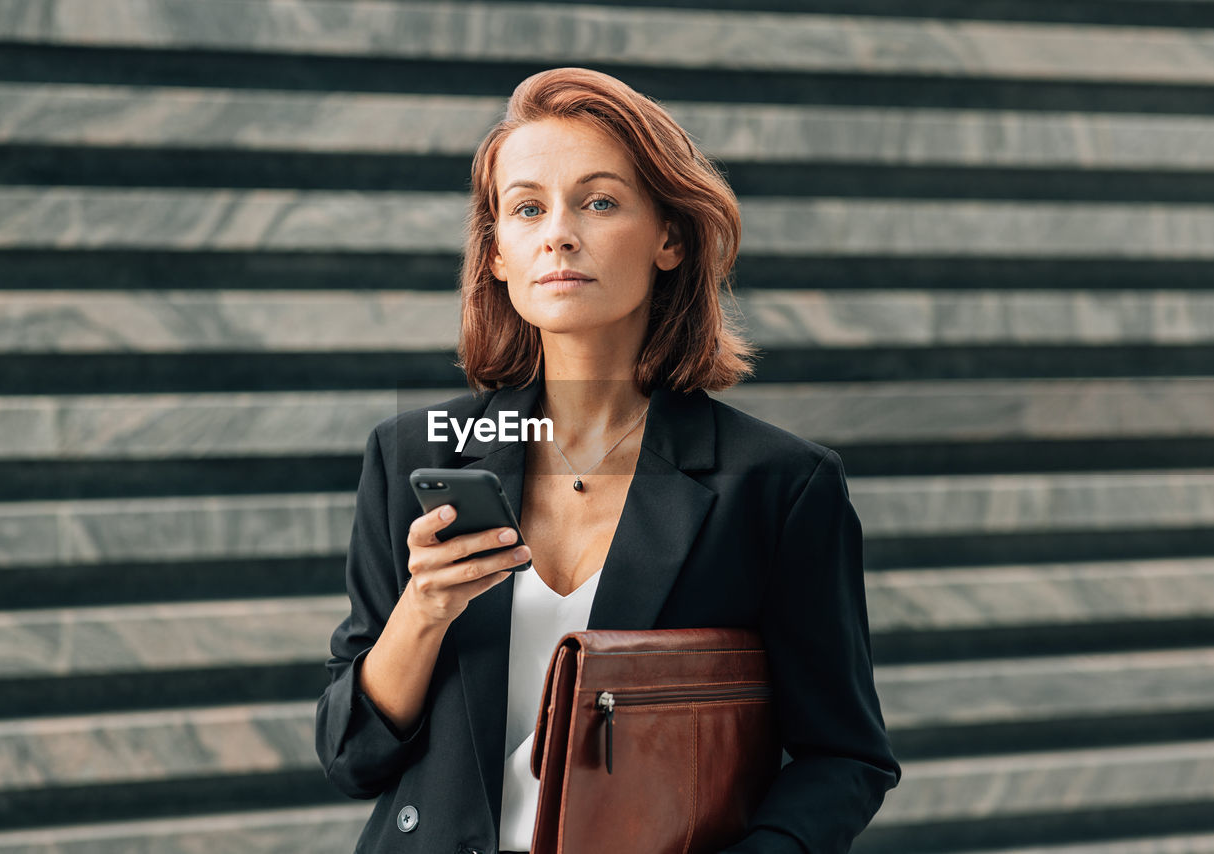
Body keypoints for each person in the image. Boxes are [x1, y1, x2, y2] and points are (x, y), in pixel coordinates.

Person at [315, 66, 901, 854]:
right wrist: (424, 608)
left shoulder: (777, 484)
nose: (558, 232)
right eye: (526, 208)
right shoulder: (414, 455)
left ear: (668, 237)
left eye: (598, 201)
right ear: (497, 255)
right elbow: (352, 756)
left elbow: (844, 756)